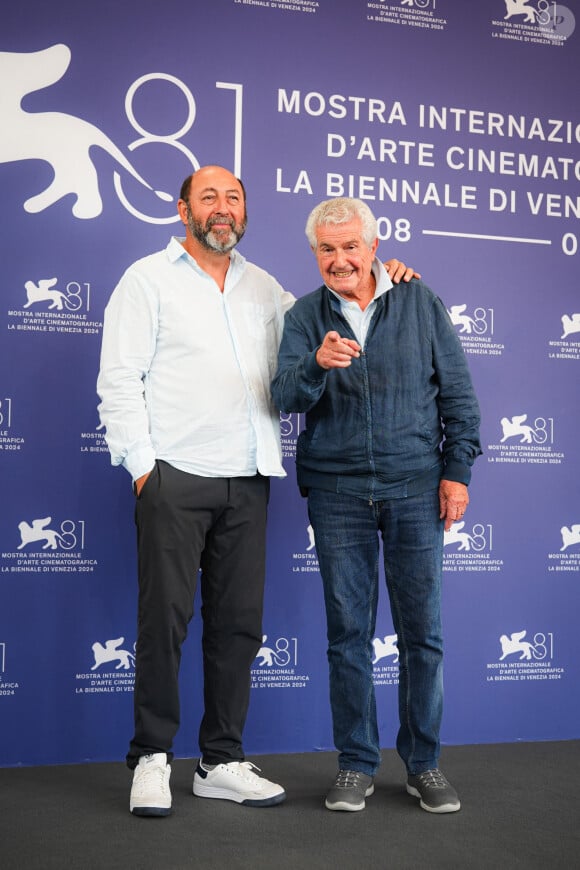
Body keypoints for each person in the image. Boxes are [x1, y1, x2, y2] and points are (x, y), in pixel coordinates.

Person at [96, 166, 416, 817]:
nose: (222, 208)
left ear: (244, 213)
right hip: (174, 475)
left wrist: (384, 278)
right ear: (182, 207)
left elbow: (328, 309)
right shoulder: (146, 280)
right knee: (166, 622)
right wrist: (140, 466)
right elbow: (119, 378)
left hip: (249, 479)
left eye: (234, 197)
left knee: (239, 627)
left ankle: (219, 759)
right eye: (209, 196)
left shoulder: (265, 287)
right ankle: (153, 757)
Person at [271, 197, 482, 815]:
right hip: (336, 494)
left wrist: (457, 472)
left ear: (372, 246)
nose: (339, 260)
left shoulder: (419, 300)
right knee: (348, 636)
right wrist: (316, 365)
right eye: (326, 250)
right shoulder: (305, 316)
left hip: (417, 487)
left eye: (350, 247)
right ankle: (356, 765)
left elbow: (460, 397)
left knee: (424, 635)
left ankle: (423, 764)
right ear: (315, 253)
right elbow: (284, 393)